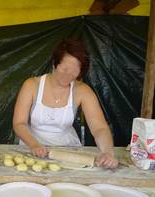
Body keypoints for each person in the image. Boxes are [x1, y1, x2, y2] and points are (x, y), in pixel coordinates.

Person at [13, 38, 118, 168]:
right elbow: (19, 123)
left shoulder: (82, 91)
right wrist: (34, 144)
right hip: (32, 146)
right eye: (64, 69)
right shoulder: (31, 85)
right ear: (55, 63)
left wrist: (107, 152)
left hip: (67, 150)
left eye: (75, 72)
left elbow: (99, 128)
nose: (68, 75)